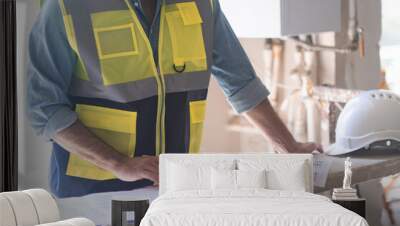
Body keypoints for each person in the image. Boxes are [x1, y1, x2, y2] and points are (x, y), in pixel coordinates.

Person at [28, 0, 322, 198]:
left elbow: (240, 82)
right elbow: (45, 108)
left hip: (173, 189)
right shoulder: (66, 7)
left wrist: (288, 147)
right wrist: (119, 163)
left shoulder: (200, 4)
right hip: (92, 196)